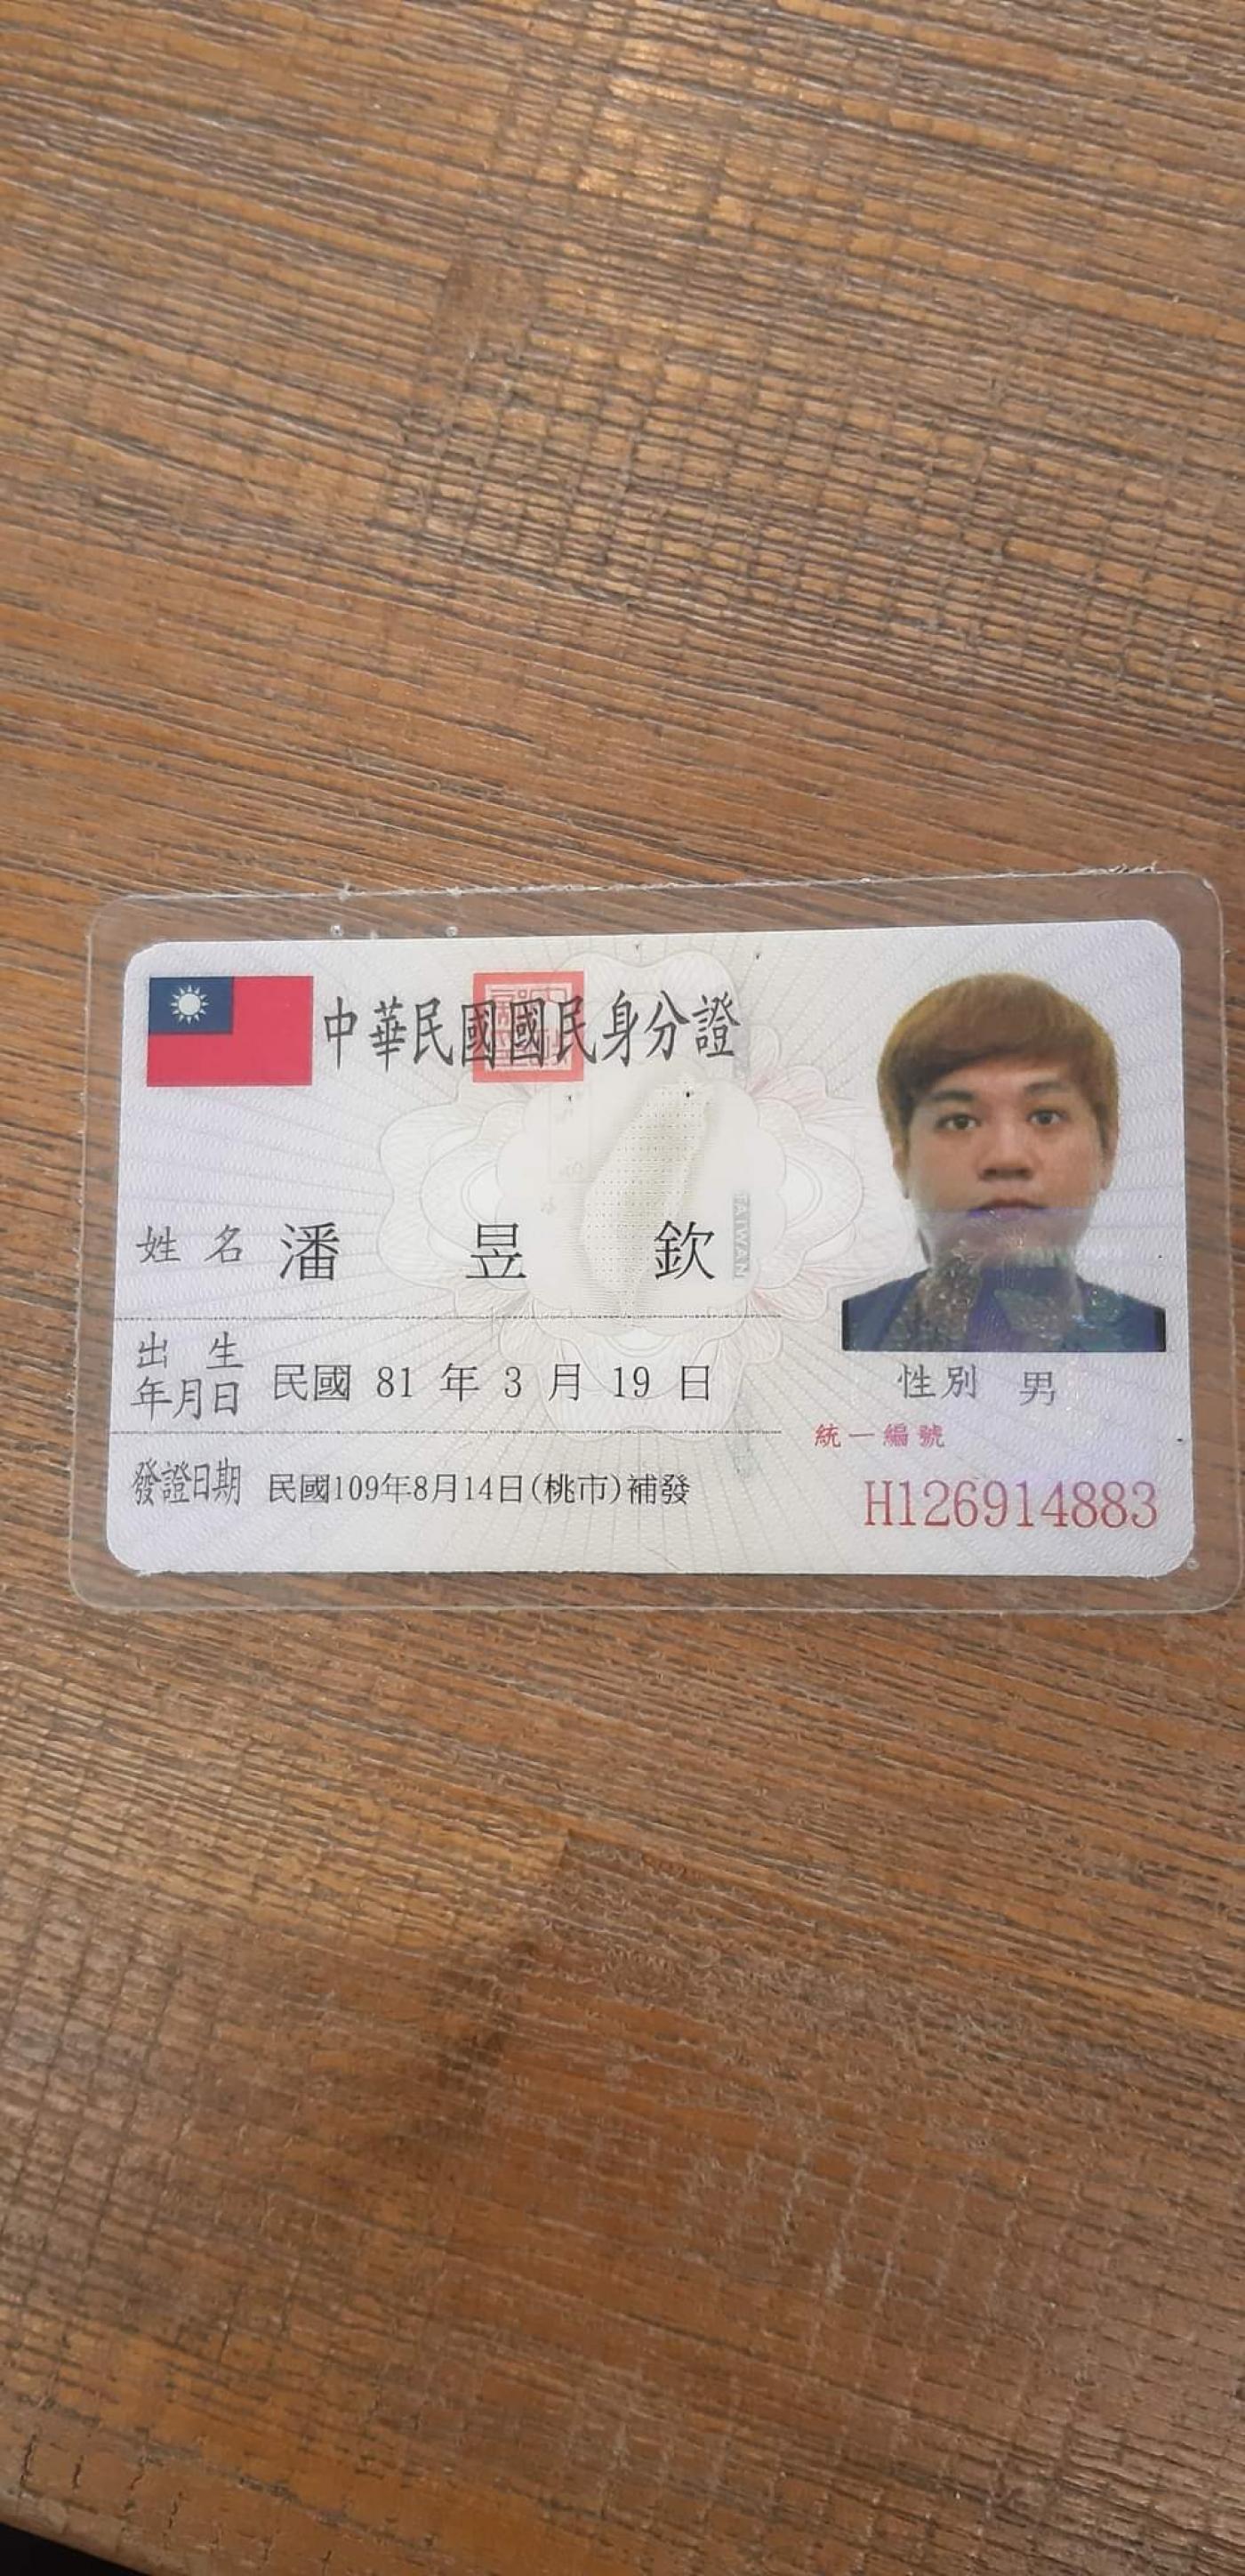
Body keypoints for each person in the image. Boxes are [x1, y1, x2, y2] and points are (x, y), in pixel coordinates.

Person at [840, 972, 1166, 1353]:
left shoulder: (1160, 1342)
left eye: (1045, 1117)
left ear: (1107, 1150)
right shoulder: (843, 1335)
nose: (1006, 1157)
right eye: (960, 1122)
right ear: (902, 1159)